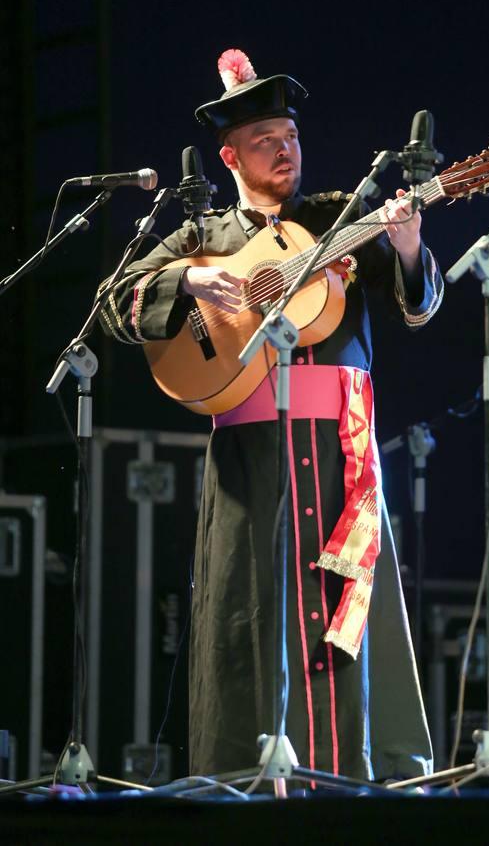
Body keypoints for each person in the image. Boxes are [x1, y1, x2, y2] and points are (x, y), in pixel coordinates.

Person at [98, 49, 443, 782]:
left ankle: (360, 778)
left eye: (290, 136)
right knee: (250, 612)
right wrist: (189, 278)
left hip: (340, 455)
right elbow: (113, 305)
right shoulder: (208, 237)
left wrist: (409, 244)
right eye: (265, 141)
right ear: (230, 156)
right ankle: (251, 780)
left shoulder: (336, 218)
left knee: (346, 616)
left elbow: (417, 305)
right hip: (251, 461)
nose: (285, 150)